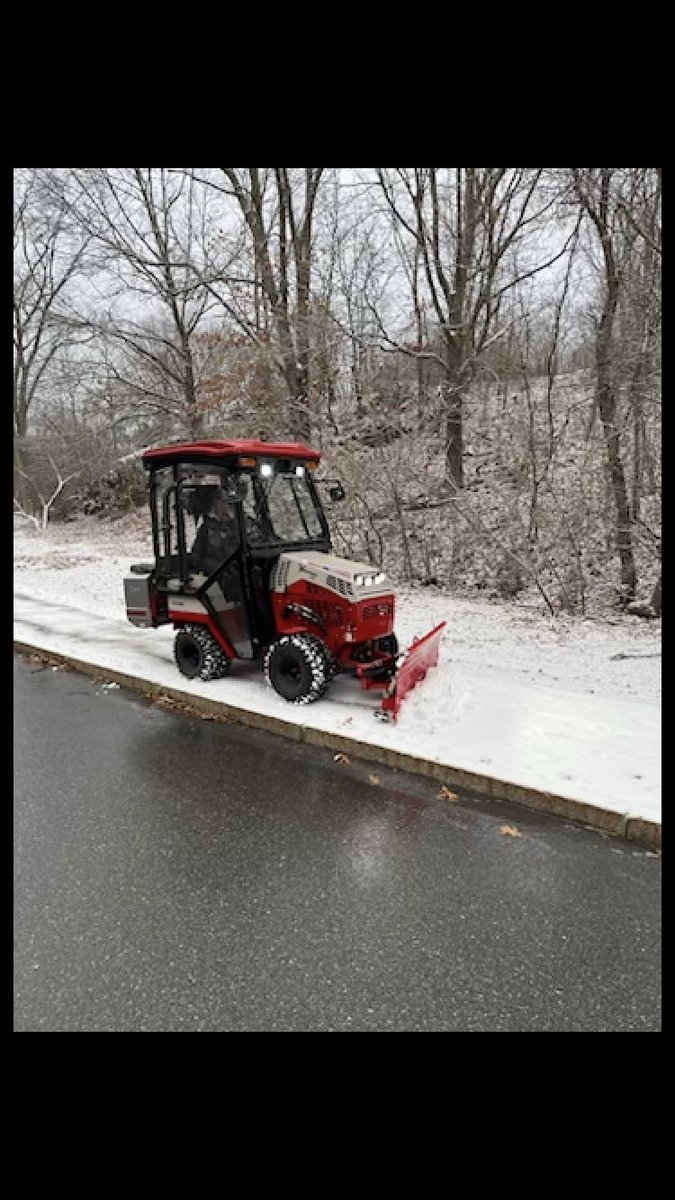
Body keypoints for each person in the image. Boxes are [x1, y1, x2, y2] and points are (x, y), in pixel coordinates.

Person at [191, 488, 239, 569]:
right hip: (218, 574)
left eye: (228, 503)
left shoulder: (240, 526)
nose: (225, 507)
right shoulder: (206, 529)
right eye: (223, 503)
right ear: (215, 505)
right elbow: (196, 558)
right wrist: (218, 566)